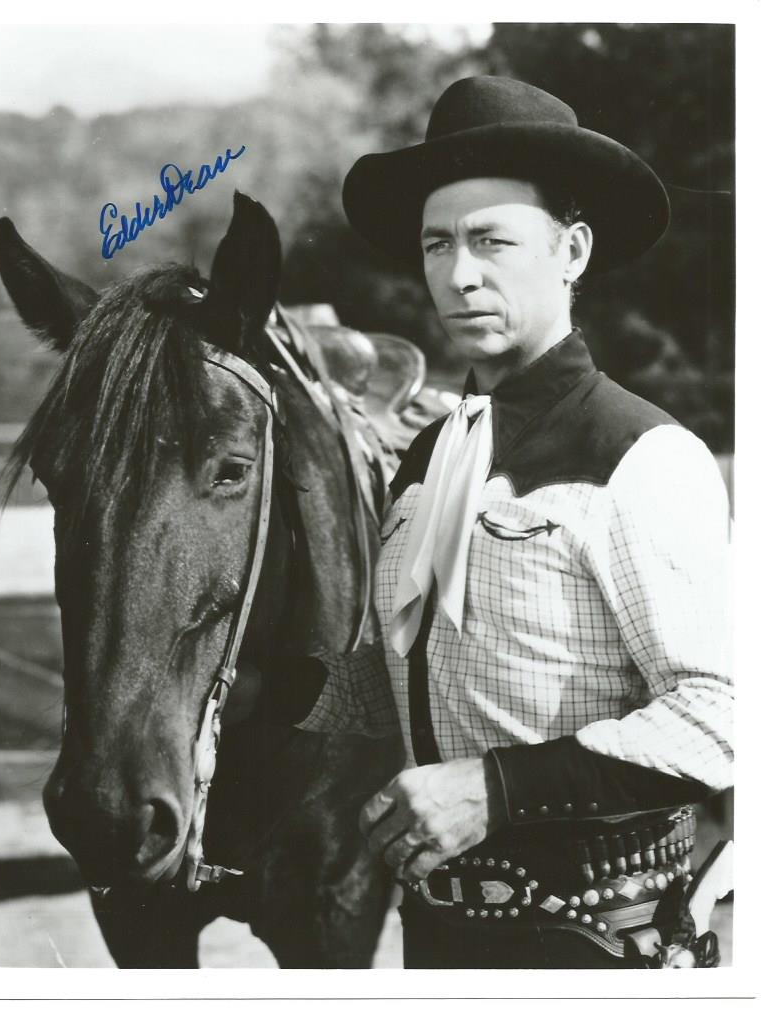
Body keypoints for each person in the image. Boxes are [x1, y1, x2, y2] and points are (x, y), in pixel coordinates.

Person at [246, 76, 733, 968]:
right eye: (437, 245)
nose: (457, 275)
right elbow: (414, 679)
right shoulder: (429, 456)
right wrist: (232, 685)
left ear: (571, 251)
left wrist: (494, 789)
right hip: (436, 944)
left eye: (490, 241)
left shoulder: (641, 456)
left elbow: (722, 718)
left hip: (595, 950)